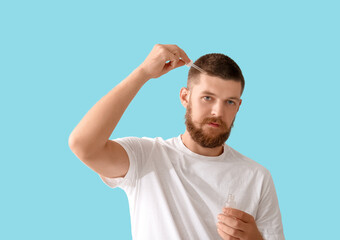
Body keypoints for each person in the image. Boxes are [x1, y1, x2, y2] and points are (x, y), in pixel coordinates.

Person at [69, 44, 285, 240]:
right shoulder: (145, 158)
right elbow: (83, 144)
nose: (218, 112)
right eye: (207, 97)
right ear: (185, 97)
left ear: (238, 107)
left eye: (229, 102)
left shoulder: (257, 176)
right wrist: (143, 73)